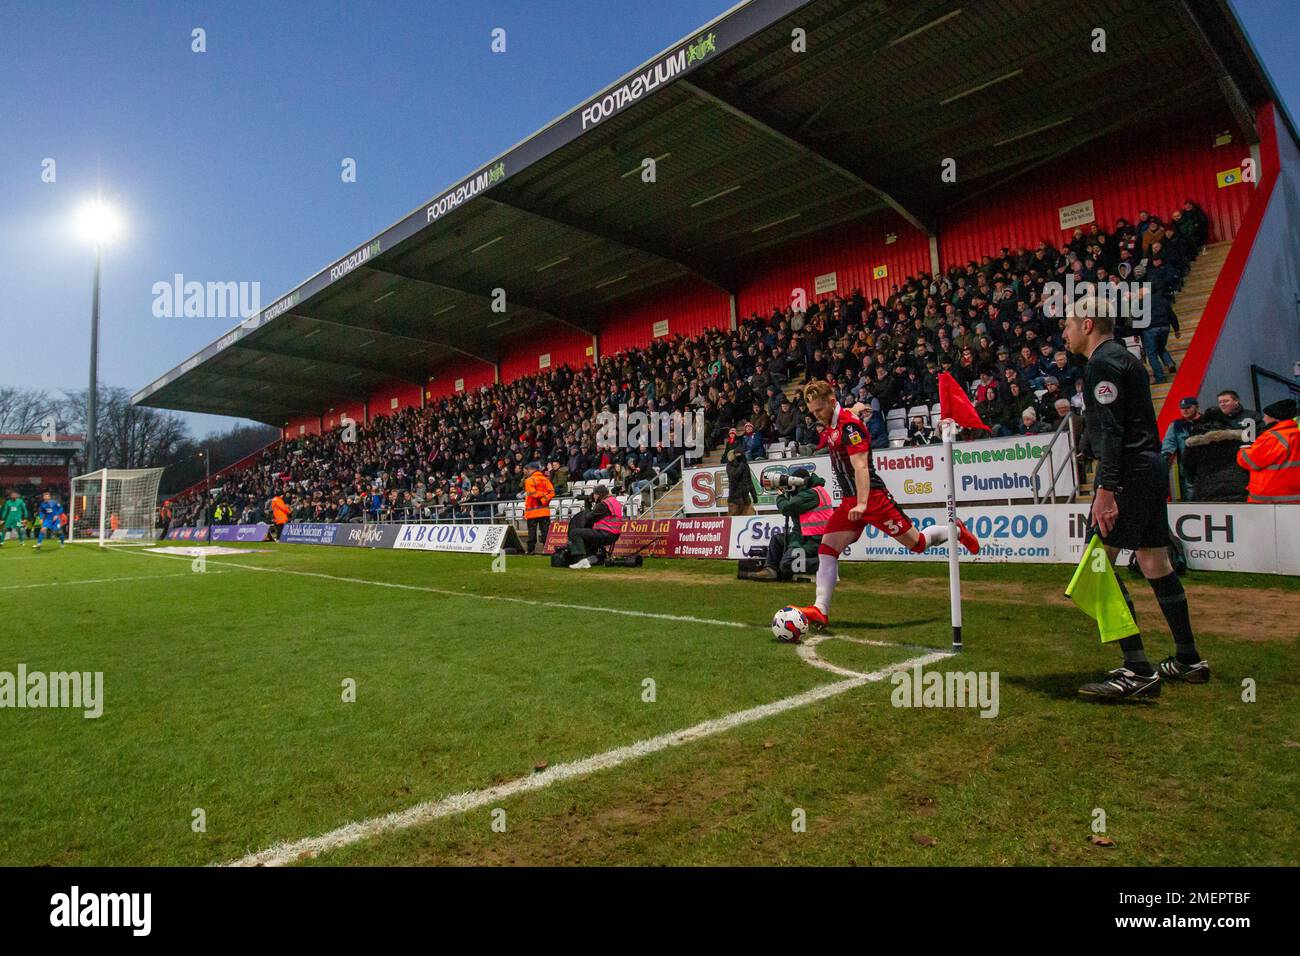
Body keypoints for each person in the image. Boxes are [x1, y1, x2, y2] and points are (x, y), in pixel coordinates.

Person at [1063, 298, 1207, 698]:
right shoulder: (1122, 357)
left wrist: (1104, 491)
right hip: (1147, 467)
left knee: (1098, 567)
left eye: (1068, 325)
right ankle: (1188, 658)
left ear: (1087, 324)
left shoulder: (1102, 363)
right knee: (1154, 560)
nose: (1064, 333)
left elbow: (1112, 431)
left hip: (1127, 473)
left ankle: (1137, 670)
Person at [791, 380, 979, 633]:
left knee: (918, 544)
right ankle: (821, 610)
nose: (816, 416)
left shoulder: (849, 427)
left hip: (873, 499)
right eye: (812, 411)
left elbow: (860, 467)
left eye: (819, 410)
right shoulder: (837, 421)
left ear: (832, 402)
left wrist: (862, 502)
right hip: (850, 501)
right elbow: (846, 415)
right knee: (827, 549)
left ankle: (955, 530)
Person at [743, 468, 832, 582]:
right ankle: (770, 570)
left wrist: (780, 496)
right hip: (803, 536)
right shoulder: (813, 491)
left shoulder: (811, 494)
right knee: (777, 539)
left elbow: (787, 508)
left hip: (813, 541)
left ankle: (825, 563)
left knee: (787, 564)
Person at [1237, 399, 1300, 503]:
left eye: (1266, 416)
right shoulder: (1296, 433)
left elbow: (1250, 461)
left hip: (1270, 497)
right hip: (1294, 496)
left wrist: (1244, 449)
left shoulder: (1272, 437)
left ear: (1275, 418)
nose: (1264, 419)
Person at [566, 485, 622, 570]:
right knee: (586, 533)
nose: (593, 496)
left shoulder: (604, 504)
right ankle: (592, 558)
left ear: (599, 495)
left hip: (605, 534)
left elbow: (588, 517)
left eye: (594, 494)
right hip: (614, 534)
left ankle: (581, 560)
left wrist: (588, 505)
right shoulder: (614, 502)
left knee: (575, 532)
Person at [522, 461, 554, 555]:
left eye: (528, 469)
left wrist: (541, 496)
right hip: (544, 511)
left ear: (532, 469)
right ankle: (547, 549)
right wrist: (544, 499)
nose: (527, 471)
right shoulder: (546, 479)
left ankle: (531, 551)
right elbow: (552, 493)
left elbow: (532, 493)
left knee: (532, 532)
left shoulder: (529, 480)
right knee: (545, 531)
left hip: (532, 512)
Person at [725, 446, 756, 516]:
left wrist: (754, 494)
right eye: (740, 454)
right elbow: (734, 476)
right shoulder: (730, 465)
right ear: (735, 455)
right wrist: (742, 465)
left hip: (746, 499)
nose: (742, 456)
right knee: (733, 520)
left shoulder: (745, 465)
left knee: (751, 516)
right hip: (734, 500)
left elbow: (749, 480)